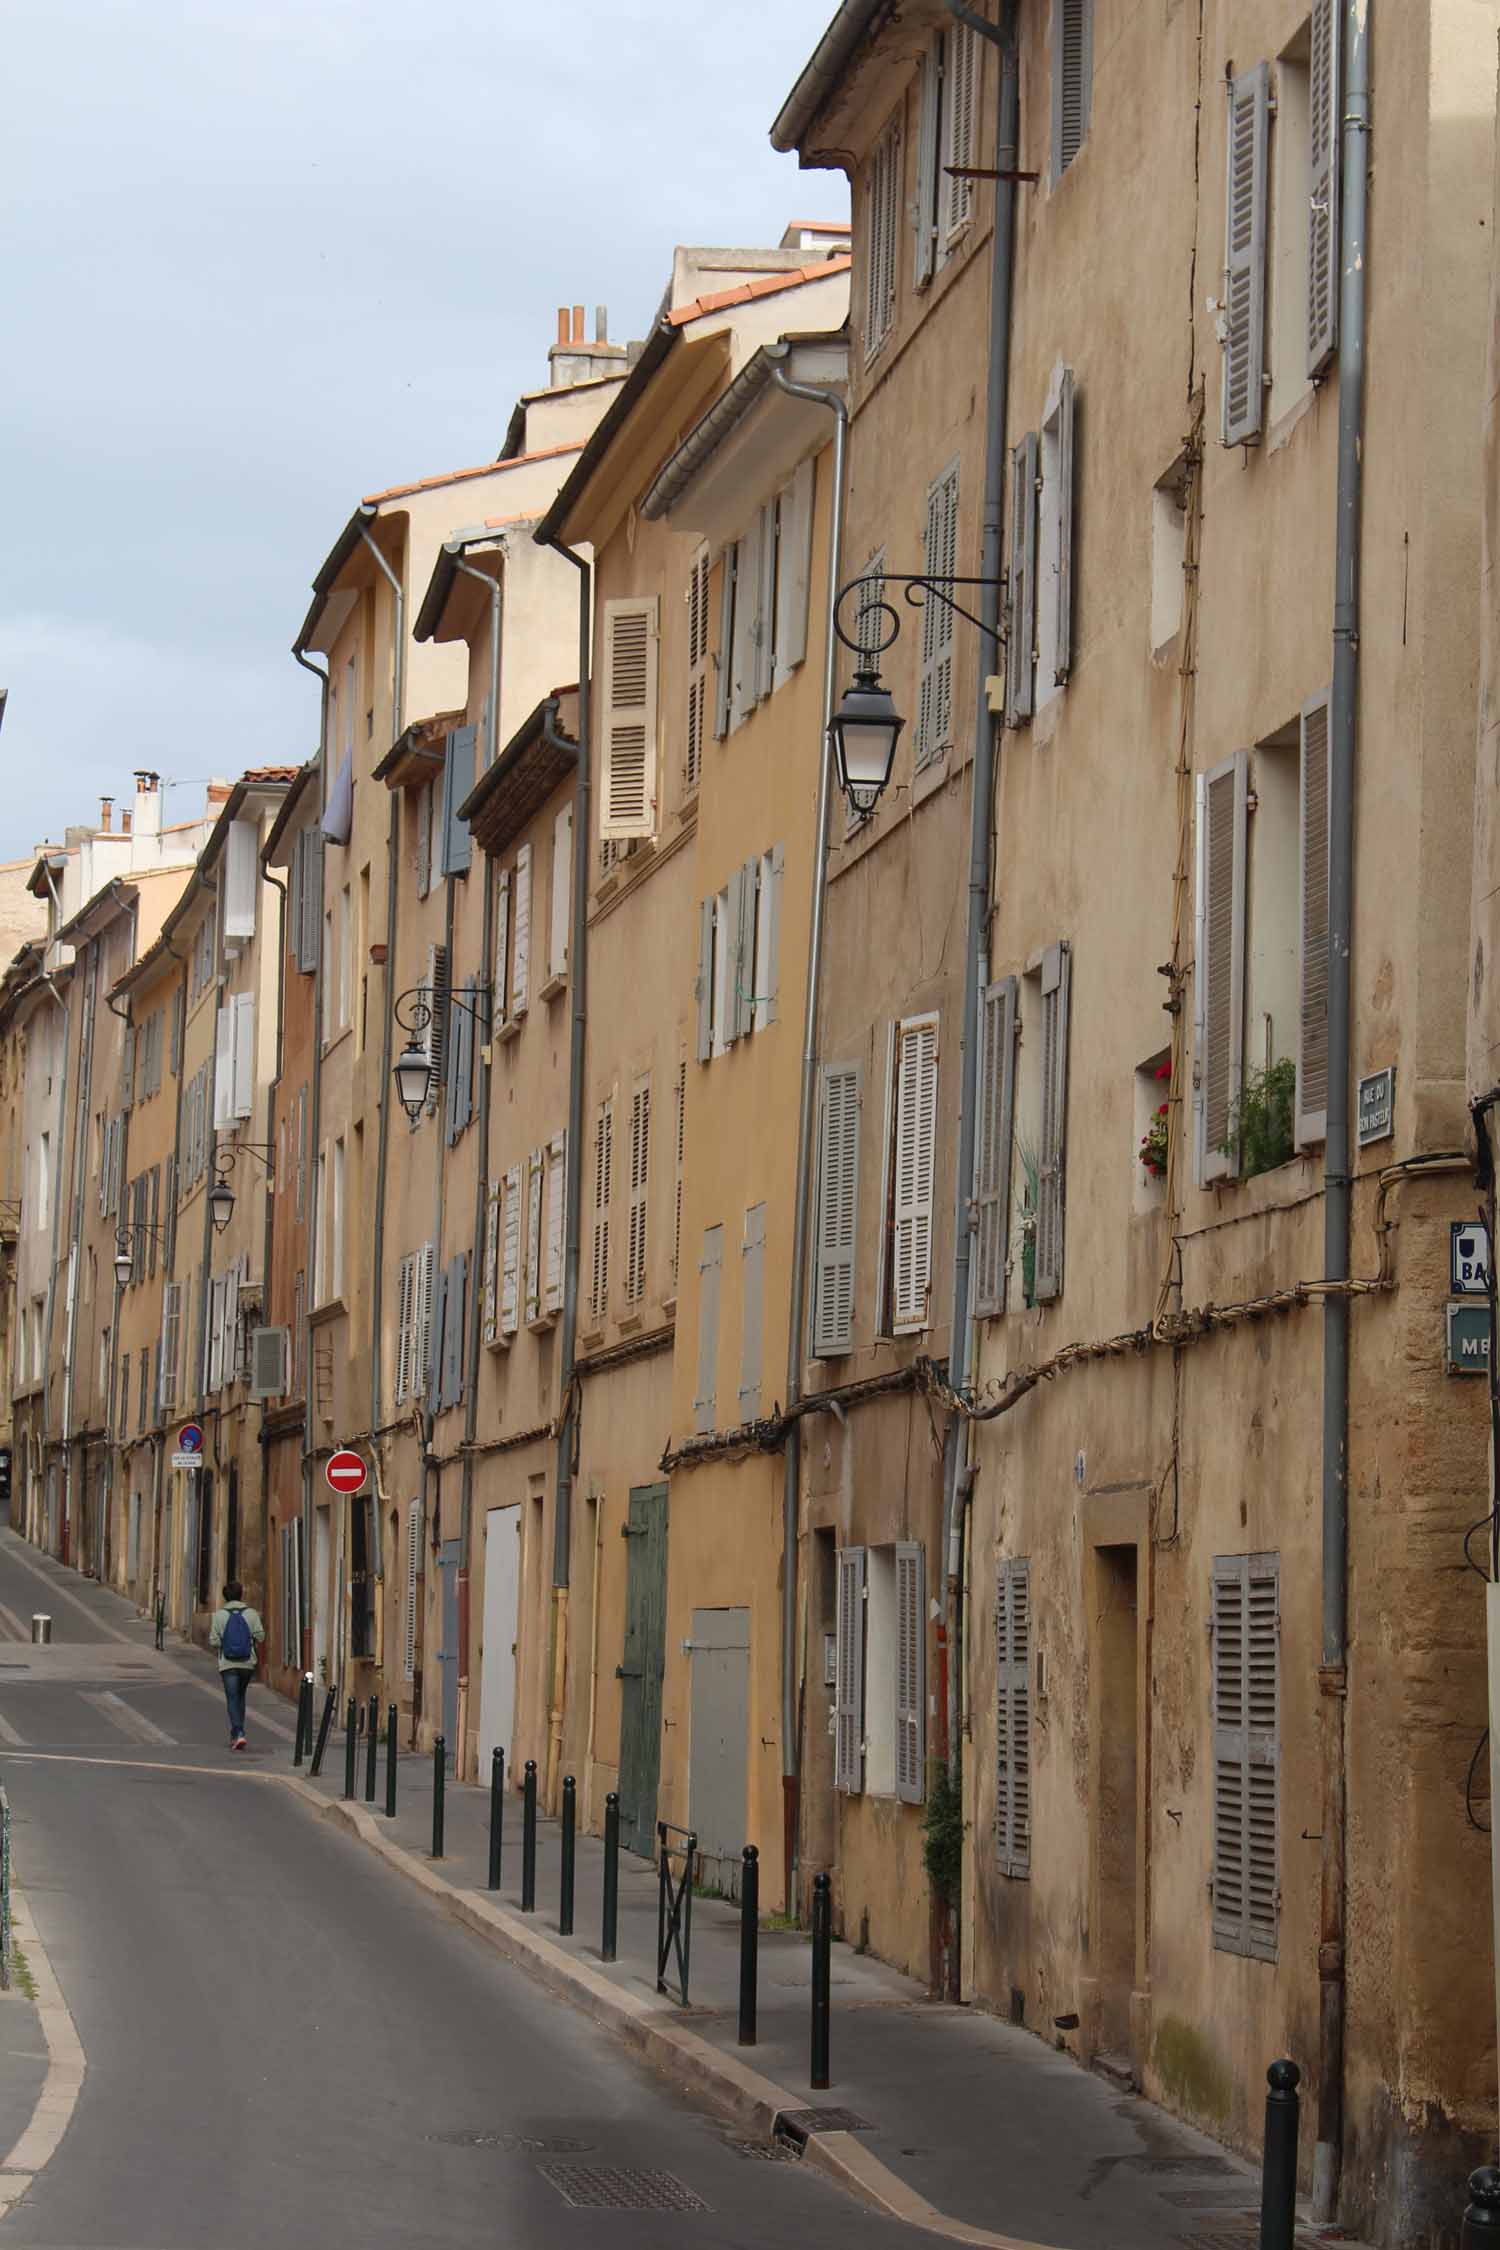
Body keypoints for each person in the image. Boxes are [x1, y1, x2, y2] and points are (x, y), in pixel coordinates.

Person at [209, 1580, 264, 1750]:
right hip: (247, 1663)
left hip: (228, 1664)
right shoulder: (252, 1614)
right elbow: (261, 1636)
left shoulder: (218, 1615)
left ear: (225, 1597)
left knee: (232, 1698)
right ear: (241, 1594)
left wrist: (226, 1643)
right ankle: (236, 1733)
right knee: (241, 1696)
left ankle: (239, 1732)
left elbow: (213, 1641)